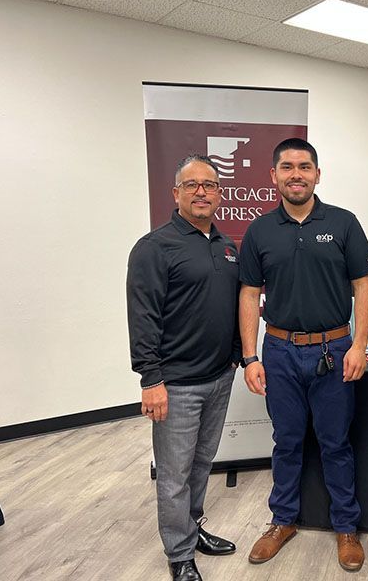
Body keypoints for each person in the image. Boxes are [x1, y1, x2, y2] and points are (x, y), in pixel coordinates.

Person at [238, 138, 368, 572]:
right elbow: (248, 293)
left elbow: (363, 285)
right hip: (278, 351)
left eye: (304, 166)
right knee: (287, 441)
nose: (295, 174)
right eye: (287, 167)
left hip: (334, 350)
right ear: (273, 176)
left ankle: (346, 528)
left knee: (336, 443)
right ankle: (283, 521)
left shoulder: (343, 223)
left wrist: (358, 344)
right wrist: (249, 356)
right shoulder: (260, 231)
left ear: (318, 174)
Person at [126, 155, 241, 581]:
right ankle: (179, 554)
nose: (201, 192)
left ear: (218, 194)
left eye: (209, 185)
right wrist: (151, 379)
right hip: (174, 384)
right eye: (191, 185)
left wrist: (233, 355)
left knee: (201, 463)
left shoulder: (226, 247)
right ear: (176, 193)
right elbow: (143, 316)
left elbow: (232, 306)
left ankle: (192, 530)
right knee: (173, 474)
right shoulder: (153, 248)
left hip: (218, 378)